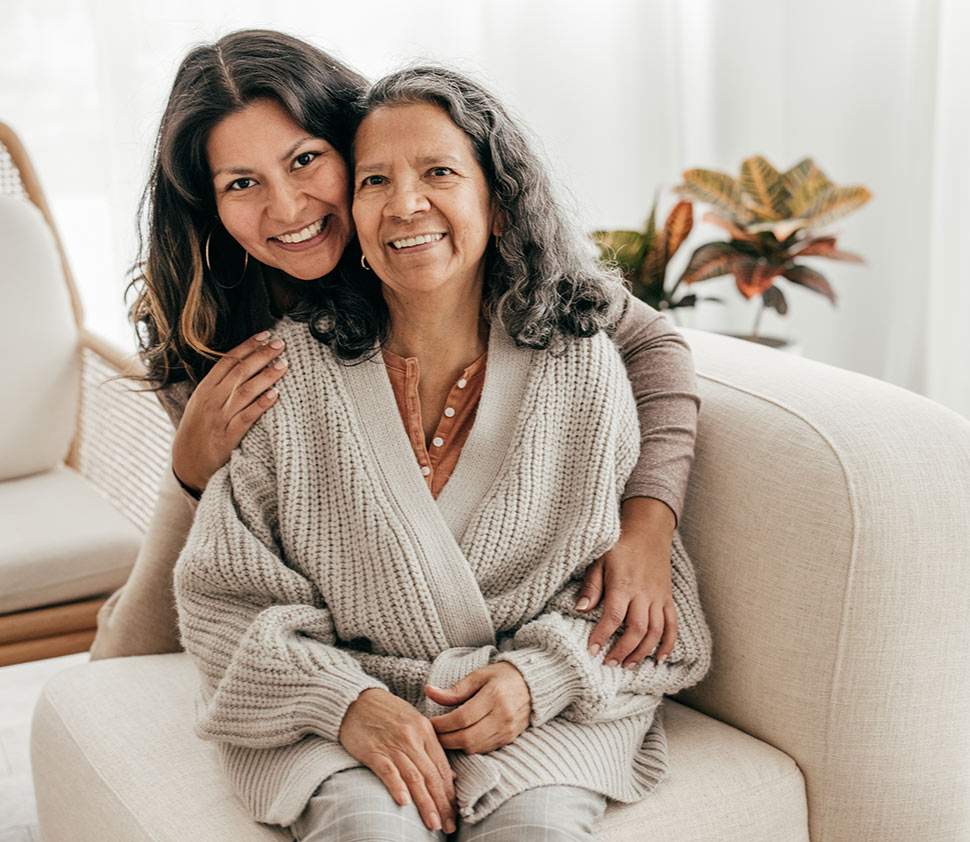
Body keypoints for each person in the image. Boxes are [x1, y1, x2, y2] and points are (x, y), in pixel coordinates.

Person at [173, 65, 713, 841]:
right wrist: (343, 702)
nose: (405, 205)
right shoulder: (280, 376)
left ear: (500, 202)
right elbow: (222, 597)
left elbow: (646, 617)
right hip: (345, 711)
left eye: (439, 173)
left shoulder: (580, 363)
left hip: (538, 713)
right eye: (375, 181)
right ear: (355, 213)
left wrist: (541, 677)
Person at [89, 29, 702, 676]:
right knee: (115, 663)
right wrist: (189, 472)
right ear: (209, 204)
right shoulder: (206, 319)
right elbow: (228, 565)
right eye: (242, 183)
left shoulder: (441, 249)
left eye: (305, 160)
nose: (288, 207)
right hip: (231, 533)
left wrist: (648, 523)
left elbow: (651, 343)